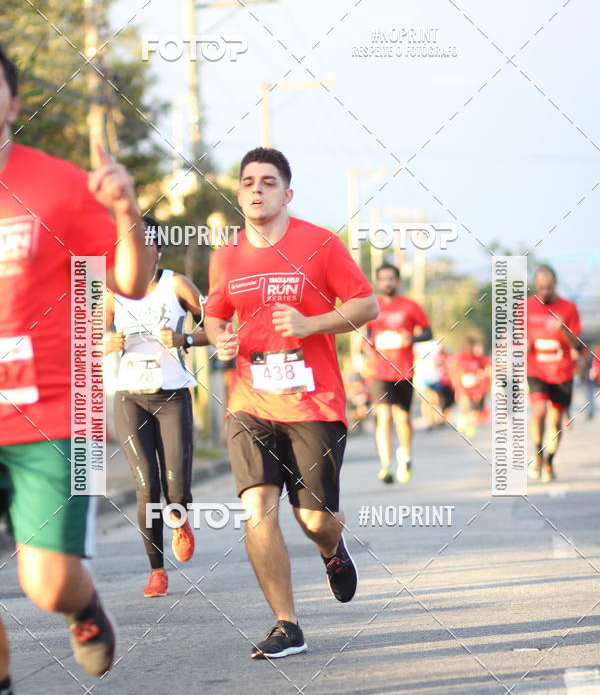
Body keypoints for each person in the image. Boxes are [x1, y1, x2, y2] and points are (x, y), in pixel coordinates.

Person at [0, 46, 152, 695]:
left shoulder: (56, 185)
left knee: (48, 584)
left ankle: (83, 603)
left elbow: (130, 282)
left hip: (52, 412)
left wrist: (126, 213)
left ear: (11, 101)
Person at [204, 147, 377, 659]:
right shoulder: (227, 254)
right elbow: (216, 312)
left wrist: (311, 325)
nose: (257, 189)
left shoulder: (320, 244)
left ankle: (332, 548)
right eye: (248, 182)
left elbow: (365, 304)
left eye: (269, 182)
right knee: (257, 508)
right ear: (239, 193)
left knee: (315, 520)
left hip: (314, 403)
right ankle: (286, 624)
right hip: (249, 401)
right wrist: (219, 338)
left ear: (287, 193)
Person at [104, 219, 207, 596]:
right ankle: (157, 569)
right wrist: (107, 344)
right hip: (130, 397)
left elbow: (218, 326)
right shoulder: (113, 292)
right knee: (146, 483)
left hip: (172, 396)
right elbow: (88, 340)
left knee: (175, 487)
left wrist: (185, 338)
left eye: (147, 247)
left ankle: (179, 518)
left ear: (158, 250)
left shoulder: (176, 285)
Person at [363, 264, 431, 483]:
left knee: (402, 417)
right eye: (383, 279)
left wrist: (412, 338)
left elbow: (429, 332)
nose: (387, 283)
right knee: (383, 416)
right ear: (378, 282)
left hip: (404, 371)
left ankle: (406, 456)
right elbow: (367, 335)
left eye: (391, 278)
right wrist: (367, 345)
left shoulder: (411, 306)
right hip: (379, 371)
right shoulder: (372, 306)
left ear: (398, 281)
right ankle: (386, 465)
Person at [527, 265, 582, 481]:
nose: (545, 292)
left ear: (555, 285)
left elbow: (577, 344)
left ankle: (549, 460)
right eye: (541, 287)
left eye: (548, 287)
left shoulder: (569, 308)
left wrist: (563, 329)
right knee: (539, 410)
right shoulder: (526, 307)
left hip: (562, 371)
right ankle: (537, 454)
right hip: (537, 369)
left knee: (555, 419)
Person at [448, 337, 491, 438]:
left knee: (476, 408)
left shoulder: (481, 358)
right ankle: (462, 421)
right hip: (464, 387)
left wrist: (483, 374)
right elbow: (454, 369)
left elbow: (489, 371)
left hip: (478, 388)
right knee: (465, 403)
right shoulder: (461, 356)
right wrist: (457, 383)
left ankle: (471, 427)